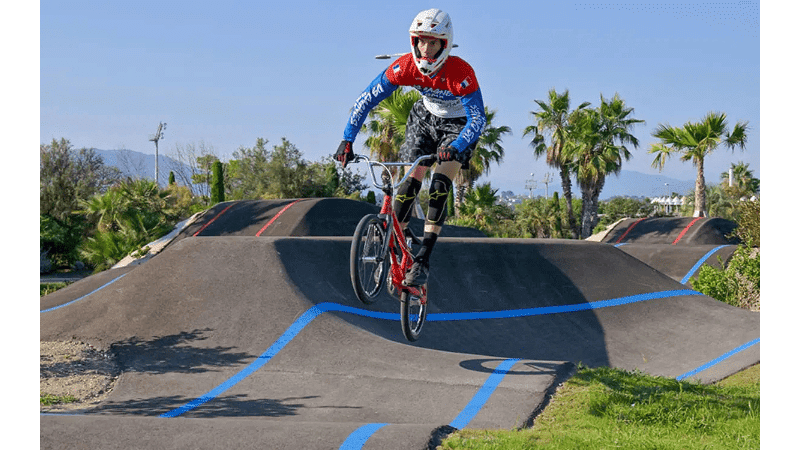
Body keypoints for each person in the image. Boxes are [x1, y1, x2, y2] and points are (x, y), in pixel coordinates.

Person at [335, 8, 486, 286]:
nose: (425, 49)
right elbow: (366, 99)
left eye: (433, 42)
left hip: (458, 125)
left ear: (445, 44)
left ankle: (423, 259)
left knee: (439, 185)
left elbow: (478, 118)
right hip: (424, 117)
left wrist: (457, 145)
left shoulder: (461, 72)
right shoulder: (404, 67)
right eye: (420, 41)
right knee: (408, 184)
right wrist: (347, 139)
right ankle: (396, 245)